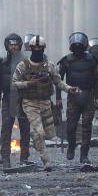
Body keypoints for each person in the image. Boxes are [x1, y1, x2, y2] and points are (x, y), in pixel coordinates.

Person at [11, 35, 79, 171]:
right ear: (30, 48)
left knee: (49, 134)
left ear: (43, 49)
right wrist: (28, 83)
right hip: (30, 103)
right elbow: (14, 84)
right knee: (40, 132)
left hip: (46, 103)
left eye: (39, 47)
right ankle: (45, 159)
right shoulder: (23, 66)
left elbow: (58, 81)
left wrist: (69, 89)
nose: (37, 49)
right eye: (34, 47)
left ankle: (35, 139)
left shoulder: (49, 66)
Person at [57, 31, 98, 163]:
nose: (78, 47)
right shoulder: (66, 61)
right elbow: (58, 80)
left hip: (88, 97)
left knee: (87, 127)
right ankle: (71, 146)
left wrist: (97, 97)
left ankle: (84, 155)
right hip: (73, 98)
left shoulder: (92, 61)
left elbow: (97, 80)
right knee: (71, 127)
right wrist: (58, 98)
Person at [0, 33, 30, 167]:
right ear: (7, 46)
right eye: (11, 45)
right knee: (6, 129)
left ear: (19, 46)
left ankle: (24, 158)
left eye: (16, 45)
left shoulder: (26, 63)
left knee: (25, 129)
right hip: (8, 99)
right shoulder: (2, 63)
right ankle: (5, 158)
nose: (13, 47)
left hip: (23, 100)